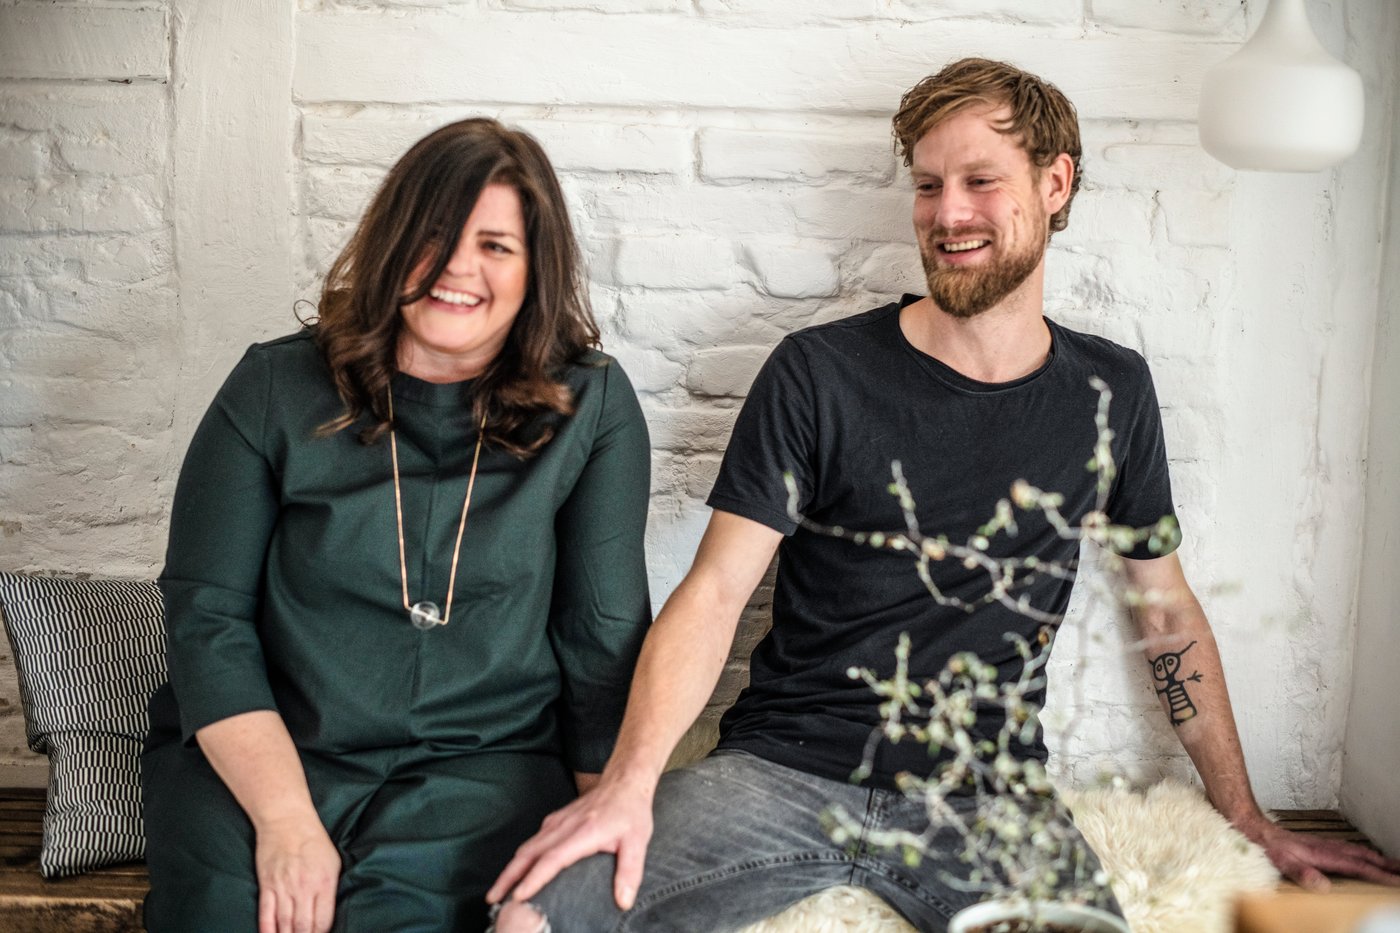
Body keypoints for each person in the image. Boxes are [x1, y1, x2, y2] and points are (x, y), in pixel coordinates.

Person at [488, 58, 1400, 932]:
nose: (947, 213)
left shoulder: (1113, 392)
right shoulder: (819, 371)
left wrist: (1243, 813)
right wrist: (629, 783)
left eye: (979, 180)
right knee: (538, 911)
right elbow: (716, 590)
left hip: (989, 795)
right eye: (927, 185)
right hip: (783, 772)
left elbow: (1165, 610)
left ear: (1056, 183)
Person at [141, 118, 652, 933]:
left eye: (495, 245)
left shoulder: (592, 406)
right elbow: (208, 618)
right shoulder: (273, 386)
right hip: (266, 753)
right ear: (391, 242)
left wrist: (605, 834)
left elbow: (602, 633)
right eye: (436, 235)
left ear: (534, 272)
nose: (458, 266)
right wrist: (284, 821)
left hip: (481, 773)